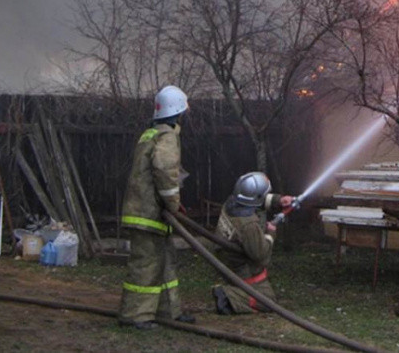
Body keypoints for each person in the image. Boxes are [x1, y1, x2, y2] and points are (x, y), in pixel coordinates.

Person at [118, 85, 195, 329]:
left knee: (165, 264)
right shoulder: (167, 136)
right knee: (146, 265)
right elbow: (164, 168)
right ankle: (135, 317)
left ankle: (167, 312)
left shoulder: (150, 133)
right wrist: (173, 204)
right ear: (178, 111)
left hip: (146, 212)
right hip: (148, 214)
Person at [212, 171, 293, 314]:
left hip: (226, 260)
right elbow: (260, 256)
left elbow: (256, 200)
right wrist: (271, 233)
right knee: (268, 301)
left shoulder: (231, 202)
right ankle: (228, 295)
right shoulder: (248, 225)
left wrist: (279, 200)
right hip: (241, 269)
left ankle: (234, 289)